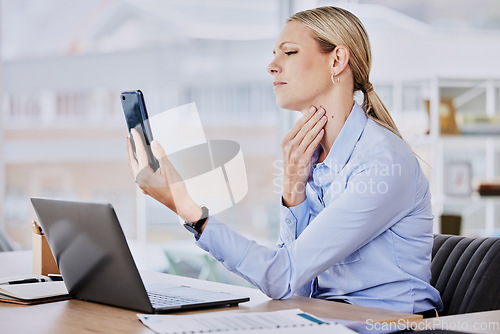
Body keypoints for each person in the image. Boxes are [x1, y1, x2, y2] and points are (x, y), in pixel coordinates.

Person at [126, 6, 443, 316]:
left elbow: (282, 276)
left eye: (289, 52)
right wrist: (294, 191)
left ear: (337, 60)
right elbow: (294, 287)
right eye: (274, 53)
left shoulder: (381, 163)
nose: (271, 66)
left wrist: (188, 209)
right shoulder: (312, 158)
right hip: (322, 320)